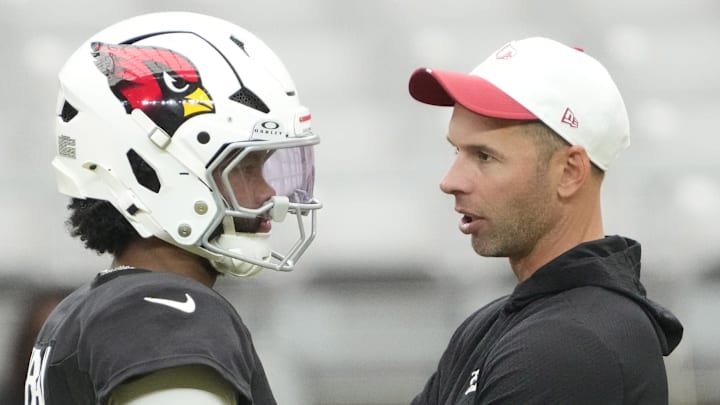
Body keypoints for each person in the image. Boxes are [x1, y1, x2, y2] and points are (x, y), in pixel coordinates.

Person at [25, 11, 321, 405]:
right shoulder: (161, 313)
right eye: (246, 167)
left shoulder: (81, 312)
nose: (268, 192)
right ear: (155, 167)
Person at [407, 37, 683, 404]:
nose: (450, 181)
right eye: (456, 150)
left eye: (484, 156)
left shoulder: (571, 344)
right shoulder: (497, 325)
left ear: (570, 172)